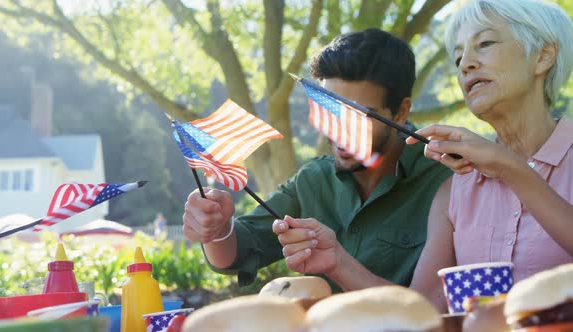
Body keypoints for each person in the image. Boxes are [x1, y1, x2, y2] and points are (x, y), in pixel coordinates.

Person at [275, 0, 573, 313]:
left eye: (484, 44)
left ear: (543, 55)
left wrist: (510, 168)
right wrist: (336, 260)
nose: (465, 64)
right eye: (458, 56)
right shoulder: (456, 188)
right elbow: (424, 311)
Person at [182, 28, 452, 288]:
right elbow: (238, 252)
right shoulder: (313, 180)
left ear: (401, 112)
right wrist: (216, 228)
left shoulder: (448, 178)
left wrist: (339, 264)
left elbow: (430, 309)